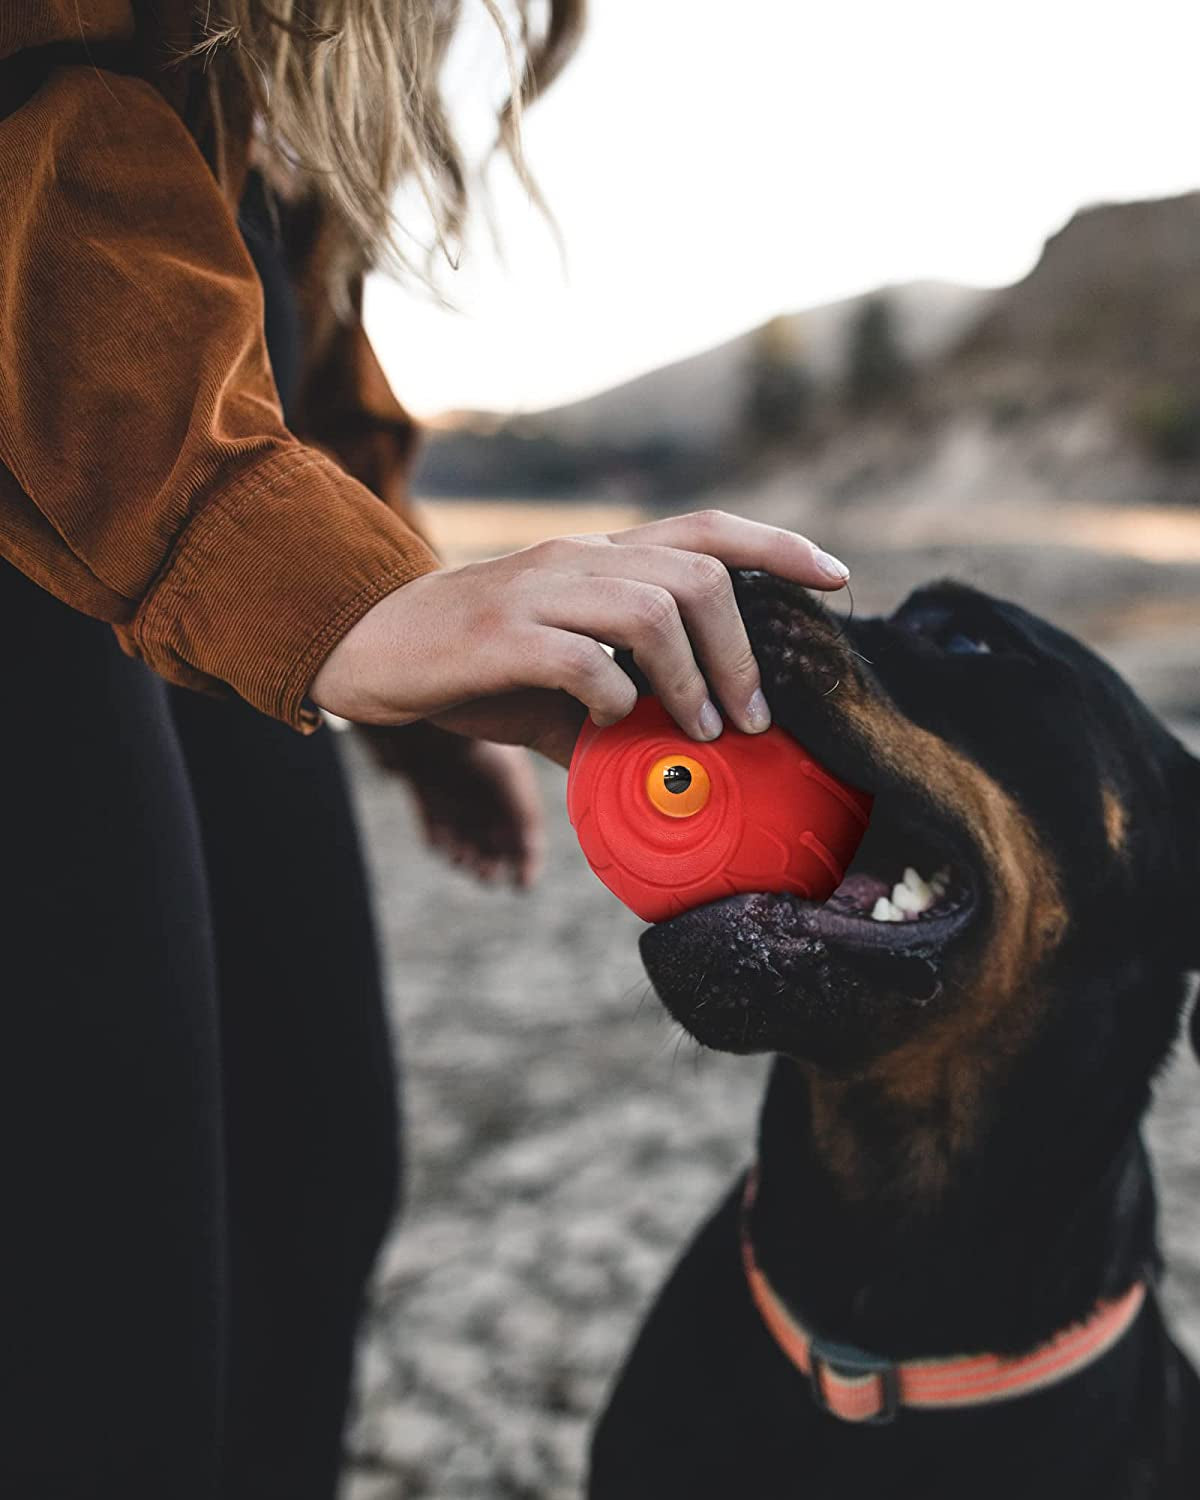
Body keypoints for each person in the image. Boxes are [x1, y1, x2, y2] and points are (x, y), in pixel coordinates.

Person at [0, 4, 850, 1497]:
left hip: (170, 460)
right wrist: (323, 590)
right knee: (103, 1290)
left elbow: (293, 317)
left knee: (310, 1171)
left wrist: (410, 644)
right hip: (50, 460)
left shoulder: (274, 66)